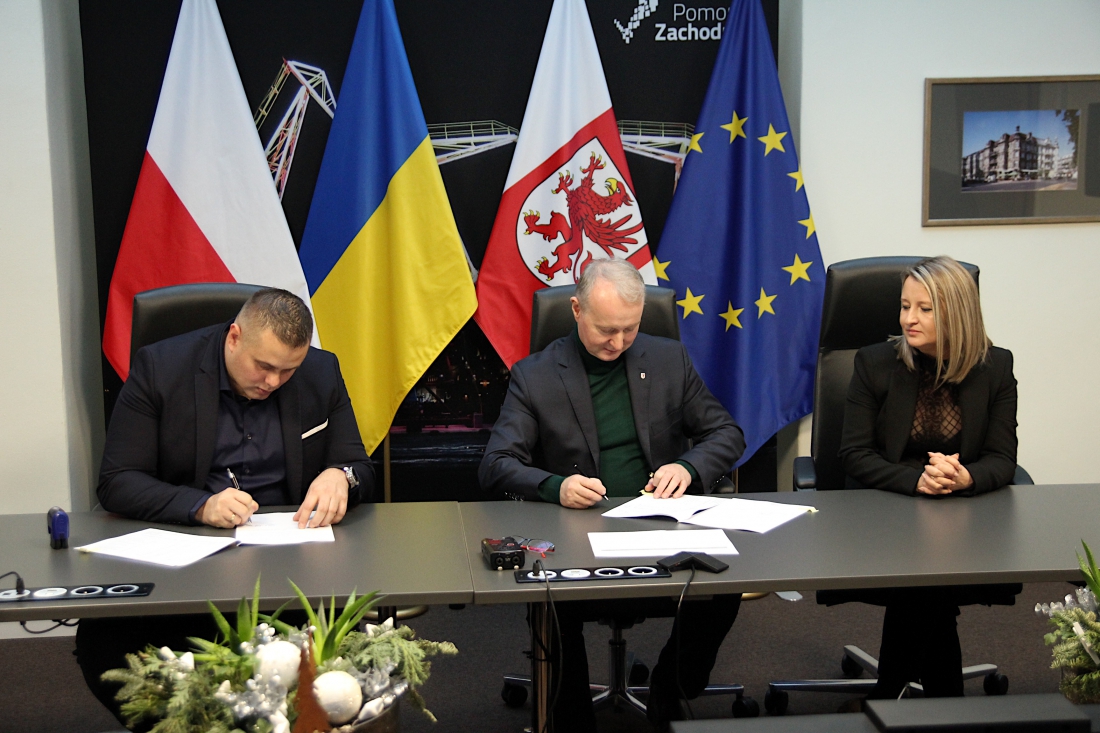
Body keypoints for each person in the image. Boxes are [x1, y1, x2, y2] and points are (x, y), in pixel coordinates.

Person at [80, 287, 374, 726]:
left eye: (287, 370)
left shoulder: (320, 370)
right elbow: (118, 480)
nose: (273, 381)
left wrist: (340, 476)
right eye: (264, 366)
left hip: (291, 566)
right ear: (234, 337)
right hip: (187, 558)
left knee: (343, 657)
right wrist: (200, 505)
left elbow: (359, 467)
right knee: (105, 642)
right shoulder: (161, 368)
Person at [480, 259, 746, 732]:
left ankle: (670, 689)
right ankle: (572, 719)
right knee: (551, 599)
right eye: (606, 330)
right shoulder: (535, 375)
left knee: (723, 588)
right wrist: (555, 486)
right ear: (576, 309)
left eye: (630, 329)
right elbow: (496, 463)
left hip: (659, 526)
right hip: (576, 534)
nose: (619, 342)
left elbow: (726, 433)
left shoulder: (668, 359)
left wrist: (687, 467)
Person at [838, 255, 1019, 700]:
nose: (908, 319)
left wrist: (964, 478)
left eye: (924, 308)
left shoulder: (996, 367)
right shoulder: (874, 363)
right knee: (928, 581)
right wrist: (919, 480)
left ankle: (890, 696)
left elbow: (1002, 459)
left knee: (926, 580)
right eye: (905, 306)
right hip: (888, 507)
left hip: (961, 515)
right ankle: (939, 702)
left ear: (956, 313)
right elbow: (854, 454)